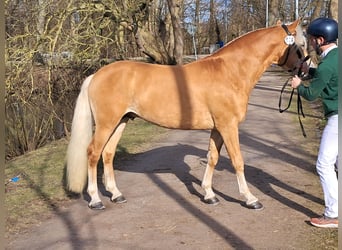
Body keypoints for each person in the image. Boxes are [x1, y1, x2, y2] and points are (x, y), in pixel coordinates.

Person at [291, 17, 338, 228]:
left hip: (337, 118)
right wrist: (309, 71)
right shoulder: (336, 58)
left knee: (324, 164)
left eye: (311, 40)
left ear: (320, 40)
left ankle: (333, 215)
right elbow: (328, 78)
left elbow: (311, 94)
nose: (310, 44)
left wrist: (298, 85)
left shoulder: (327, 64)